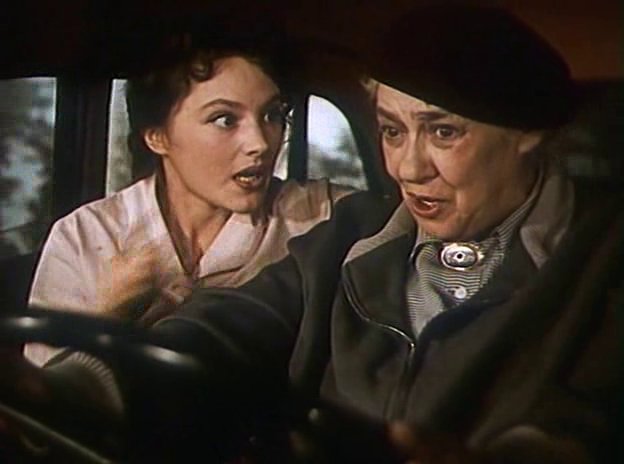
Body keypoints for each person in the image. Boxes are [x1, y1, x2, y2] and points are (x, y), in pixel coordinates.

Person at [3, 4, 622, 463]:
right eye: (391, 131)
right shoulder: (350, 235)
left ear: (526, 135)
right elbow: (225, 329)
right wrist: (76, 389)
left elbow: (591, 418)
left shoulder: (603, 254)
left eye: (443, 132)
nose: (407, 169)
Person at [24, 27, 357, 366]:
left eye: (271, 115)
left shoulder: (320, 214)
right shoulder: (88, 235)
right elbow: (44, 389)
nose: (260, 143)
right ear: (157, 137)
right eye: (225, 120)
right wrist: (110, 316)